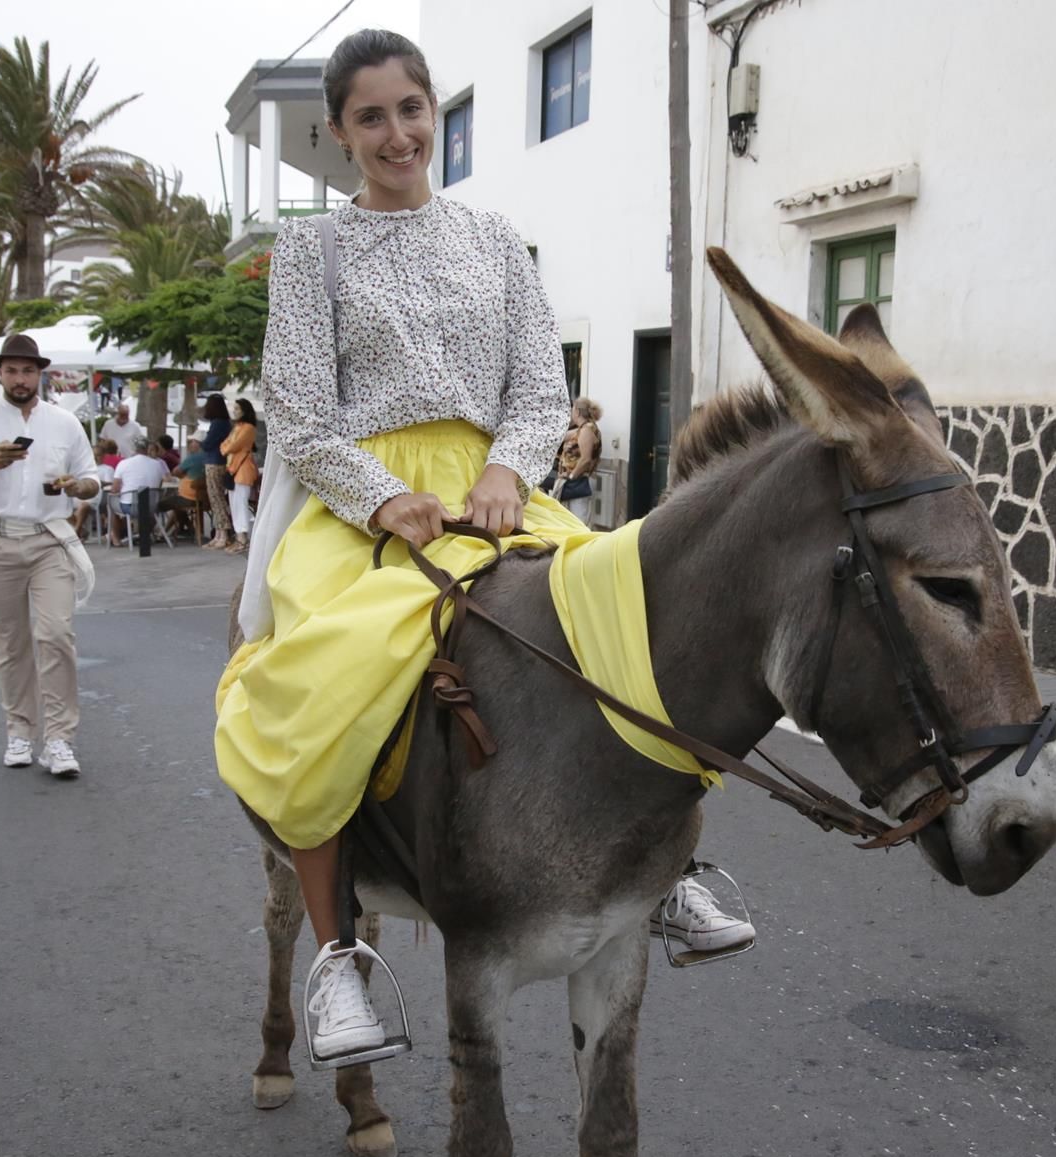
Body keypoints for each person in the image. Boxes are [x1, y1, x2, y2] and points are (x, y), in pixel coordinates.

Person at [213, 30, 753, 1062]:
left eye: (410, 110)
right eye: (369, 117)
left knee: (625, 622)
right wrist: (381, 501)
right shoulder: (312, 255)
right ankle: (336, 961)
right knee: (322, 672)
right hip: (359, 503)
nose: (396, 133)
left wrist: (510, 469)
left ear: (434, 114)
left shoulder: (495, 238)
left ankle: (663, 873)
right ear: (339, 134)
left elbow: (539, 386)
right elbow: (297, 409)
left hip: (497, 489)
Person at [0, 333, 101, 778]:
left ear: (40, 374)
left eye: (27, 370)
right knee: (9, 642)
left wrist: (77, 486)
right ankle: (19, 729)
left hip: (50, 539)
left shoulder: (64, 423)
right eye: (11, 370)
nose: (19, 378)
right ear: (0, 373)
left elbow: (92, 482)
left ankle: (59, 739)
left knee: (55, 635)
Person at [108, 434, 167, 546]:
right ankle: (143, 534)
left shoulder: (123, 463)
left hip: (131, 506)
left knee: (111, 504)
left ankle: (116, 538)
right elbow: (159, 485)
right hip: (151, 506)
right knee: (147, 510)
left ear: (133, 448)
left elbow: (115, 489)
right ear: (147, 448)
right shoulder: (157, 465)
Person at [554, 396, 602, 521]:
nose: (571, 413)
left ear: (577, 412)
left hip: (579, 482)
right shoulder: (582, 429)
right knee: (569, 519)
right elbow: (562, 436)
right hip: (575, 482)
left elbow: (586, 459)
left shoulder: (587, 430)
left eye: (572, 409)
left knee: (578, 519)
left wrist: (571, 476)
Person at [221, 398, 259, 555]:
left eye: (237, 408)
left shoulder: (248, 428)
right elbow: (224, 446)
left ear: (245, 411)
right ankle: (240, 537)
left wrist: (229, 446)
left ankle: (243, 539)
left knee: (240, 505)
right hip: (233, 469)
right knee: (235, 505)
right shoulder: (237, 427)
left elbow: (231, 446)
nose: (234, 411)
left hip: (242, 470)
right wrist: (228, 446)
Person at [198, 393, 234, 550]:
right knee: (217, 497)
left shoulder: (218, 424)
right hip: (220, 462)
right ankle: (219, 533)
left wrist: (200, 441)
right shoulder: (225, 423)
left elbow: (208, 444)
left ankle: (223, 534)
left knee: (216, 497)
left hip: (214, 462)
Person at [159, 438, 208, 543]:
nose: (189, 444)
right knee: (176, 506)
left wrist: (183, 475)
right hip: (205, 498)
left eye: (192, 441)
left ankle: (162, 533)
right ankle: (166, 532)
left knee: (159, 504)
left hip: (189, 496)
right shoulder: (209, 456)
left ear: (198, 444)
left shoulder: (193, 458)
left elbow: (176, 471)